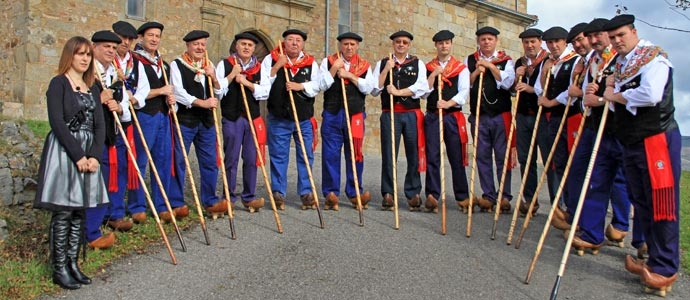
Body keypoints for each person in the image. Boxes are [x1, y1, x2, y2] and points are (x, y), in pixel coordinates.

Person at [602, 14, 680, 296]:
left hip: (656, 139)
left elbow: (650, 94)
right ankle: (652, 259)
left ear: (633, 32)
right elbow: (614, 107)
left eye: (621, 35)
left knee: (662, 203)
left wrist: (614, 94)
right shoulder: (621, 65)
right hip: (632, 142)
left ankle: (666, 266)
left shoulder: (653, 58)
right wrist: (609, 91)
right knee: (641, 201)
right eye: (613, 37)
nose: (617, 41)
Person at [34, 36, 108, 289]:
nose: (85, 58)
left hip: (89, 153)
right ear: (70, 56)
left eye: (88, 54)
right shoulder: (58, 84)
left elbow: (100, 124)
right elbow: (57, 123)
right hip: (66, 151)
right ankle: (59, 268)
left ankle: (73, 263)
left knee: (79, 210)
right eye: (80, 54)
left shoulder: (93, 87)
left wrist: (95, 156)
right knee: (64, 211)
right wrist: (78, 156)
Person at [562, 18, 637, 257]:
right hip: (595, 126)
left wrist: (602, 99)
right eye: (589, 36)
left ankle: (626, 229)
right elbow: (587, 95)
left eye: (598, 36)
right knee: (592, 177)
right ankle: (589, 230)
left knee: (623, 181)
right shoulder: (592, 61)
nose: (593, 41)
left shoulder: (625, 59)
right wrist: (587, 94)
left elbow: (631, 94)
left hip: (621, 128)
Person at [168, 30, 227, 218]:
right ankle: (176, 202)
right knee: (179, 161)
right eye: (196, 44)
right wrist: (201, 103)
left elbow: (219, 93)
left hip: (207, 122)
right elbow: (178, 92)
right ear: (188, 46)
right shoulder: (177, 65)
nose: (200, 47)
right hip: (186, 120)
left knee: (210, 162)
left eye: (202, 44)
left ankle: (210, 200)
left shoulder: (208, 65)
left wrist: (214, 78)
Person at [261, 29, 321, 210]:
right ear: (284, 42)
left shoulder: (310, 63)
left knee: (305, 155)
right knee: (279, 155)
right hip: (279, 117)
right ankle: (278, 192)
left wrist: (299, 85)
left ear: (303, 44)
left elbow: (318, 85)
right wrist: (277, 66)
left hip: (303, 118)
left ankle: (306, 192)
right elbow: (263, 83)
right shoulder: (271, 59)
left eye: (298, 40)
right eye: (290, 40)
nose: (294, 43)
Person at [371, 30, 429, 211]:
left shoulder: (418, 63)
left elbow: (422, 88)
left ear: (409, 45)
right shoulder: (383, 63)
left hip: (411, 113)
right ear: (393, 44)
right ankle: (388, 193)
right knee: (389, 154)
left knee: (413, 154)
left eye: (404, 42)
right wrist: (387, 69)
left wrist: (398, 92)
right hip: (390, 113)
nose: (401, 44)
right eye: (398, 42)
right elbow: (374, 89)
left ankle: (413, 193)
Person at [83, 30, 130, 251]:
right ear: (94, 48)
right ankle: (89, 233)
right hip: (90, 136)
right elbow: (76, 104)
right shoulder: (87, 73)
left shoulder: (115, 73)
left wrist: (119, 107)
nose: (111, 51)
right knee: (93, 184)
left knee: (104, 182)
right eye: (105, 47)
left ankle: (95, 228)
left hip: (109, 134)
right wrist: (98, 99)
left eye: (113, 47)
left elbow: (126, 110)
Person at [318, 32, 374, 211]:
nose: (349, 47)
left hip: (355, 115)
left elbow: (369, 88)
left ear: (357, 46)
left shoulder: (364, 65)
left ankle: (354, 192)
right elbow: (321, 85)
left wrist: (349, 75)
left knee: (355, 154)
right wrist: (334, 69)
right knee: (330, 154)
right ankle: (330, 193)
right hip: (333, 113)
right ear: (340, 45)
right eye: (346, 44)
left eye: (352, 44)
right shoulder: (328, 62)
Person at [463, 26, 516, 213]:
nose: (486, 42)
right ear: (478, 41)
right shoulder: (470, 60)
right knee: (482, 156)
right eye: (483, 39)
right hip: (479, 115)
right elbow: (464, 83)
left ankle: (504, 195)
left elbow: (509, 83)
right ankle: (488, 194)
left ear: (496, 41)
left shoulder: (506, 61)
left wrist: (491, 66)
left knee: (503, 156)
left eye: (490, 39)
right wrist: (477, 71)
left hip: (500, 114)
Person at [129, 22, 178, 223]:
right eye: (150, 35)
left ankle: (161, 204)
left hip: (163, 116)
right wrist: (160, 91)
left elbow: (167, 91)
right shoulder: (135, 62)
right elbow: (134, 93)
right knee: (140, 161)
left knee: (163, 161)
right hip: (144, 115)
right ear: (141, 37)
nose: (154, 39)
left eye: (157, 36)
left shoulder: (163, 65)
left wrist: (170, 100)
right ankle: (136, 206)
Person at [216, 32, 269, 212]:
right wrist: (232, 76)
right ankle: (228, 197)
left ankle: (248, 196)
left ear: (254, 49)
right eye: (243, 44)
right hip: (232, 117)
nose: (246, 47)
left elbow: (265, 92)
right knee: (231, 157)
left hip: (251, 118)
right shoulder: (225, 65)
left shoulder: (259, 68)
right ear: (236, 46)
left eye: (250, 45)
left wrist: (246, 83)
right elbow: (218, 90)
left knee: (251, 157)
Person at [534, 26, 581, 214]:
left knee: (574, 163)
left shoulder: (575, 60)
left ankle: (575, 207)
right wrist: (545, 72)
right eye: (550, 42)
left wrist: (551, 102)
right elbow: (540, 89)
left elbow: (572, 90)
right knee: (559, 162)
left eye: (557, 42)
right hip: (553, 119)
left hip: (571, 116)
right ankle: (565, 205)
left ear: (565, 42)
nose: (553, 46)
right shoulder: (549, 62)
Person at [423, 30, 470, 213]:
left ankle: (462, 196)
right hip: (433, 116)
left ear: (451, 44)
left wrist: (448, 103)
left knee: (456, 157)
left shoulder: (461, 68)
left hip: (452, 116)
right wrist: (434, 75)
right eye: (440, 43)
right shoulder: (428, 67)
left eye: (447, 43)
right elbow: (424, 91)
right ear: (436, 45)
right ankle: (433, 195)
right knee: (433, 156)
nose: (444, 46)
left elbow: (464, 91)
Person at [513, 28, 556, 217]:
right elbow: (513, 90)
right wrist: (517, 76)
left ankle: (557, 203)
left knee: (548, 159)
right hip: (523, 116)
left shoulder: (549, 62)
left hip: (543, 115)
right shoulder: (519, 63)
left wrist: (531, 88)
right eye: (526, 42)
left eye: (533, 42)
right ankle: (530, 199)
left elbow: (550, 89)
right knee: (525, 159)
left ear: (540, 42)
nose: (529, 46)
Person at [111, 20, 150, 226]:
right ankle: (113, 212)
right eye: (122, 38)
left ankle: (121, 209)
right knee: (113, 165)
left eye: (130, 39)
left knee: (127, 164)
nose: (126, 42)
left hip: (128, 118)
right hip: (111, 118)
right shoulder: (109, 60)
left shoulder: (135, 63)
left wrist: (134, 99)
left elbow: (143, 88)